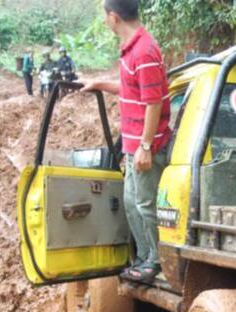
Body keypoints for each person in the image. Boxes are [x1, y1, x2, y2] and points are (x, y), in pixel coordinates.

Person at [81, 0, 171, 284]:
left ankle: (157, 262)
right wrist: (100, 84)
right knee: (132, 201)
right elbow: (133, 87)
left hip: (147, 147)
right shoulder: (132, 49)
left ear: (114, 17)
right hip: (132, 147)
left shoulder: (144, 51)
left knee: (145, 204)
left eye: (106, 17)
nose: (106, 21)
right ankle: (144, 257)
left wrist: (146, 146)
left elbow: (153, 103)